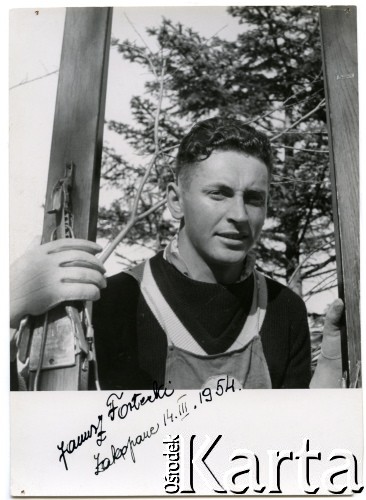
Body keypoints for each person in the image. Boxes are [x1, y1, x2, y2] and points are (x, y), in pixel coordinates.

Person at [10, 117, 343, 390]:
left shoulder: (284, 310)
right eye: (219, 194)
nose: (240, 215)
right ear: (174, 200)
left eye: (254, 199)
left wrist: (327, 370)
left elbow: (293, 446)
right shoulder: (114, 302)